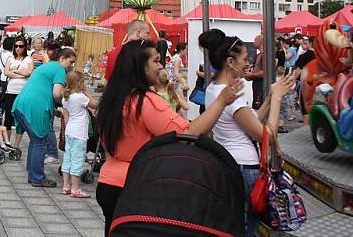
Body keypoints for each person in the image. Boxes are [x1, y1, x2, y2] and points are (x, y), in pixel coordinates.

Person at [94, 40, 243, 235]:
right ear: (140, 66)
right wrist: (221, 102)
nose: (161, 66)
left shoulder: (112, 99)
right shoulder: (145, 101)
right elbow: (186, 135)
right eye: (156, 61)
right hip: (136, 186)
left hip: (108, 183)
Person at [200, 29, 295, 237]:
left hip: (233, 164)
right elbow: (266, 134)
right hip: (245, 169)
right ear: (230, 62)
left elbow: (250, 121)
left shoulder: (214, 89)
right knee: (245, 229)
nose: (248, 62)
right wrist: (278, 99)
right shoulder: (229, 97)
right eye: (244, 58)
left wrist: (270, 98)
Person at [12, 47, 77, 188]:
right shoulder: (59, 69)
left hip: (21, 105)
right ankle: (37, 177)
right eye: (70, 62)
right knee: (39, 142)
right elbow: (57, 94)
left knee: (35, 141)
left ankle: (33, 174)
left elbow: (42, 89)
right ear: (62, 58)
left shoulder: (47, 66)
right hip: (35, 108)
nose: (71, 66)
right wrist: (68, 102)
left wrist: (53, 110)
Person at [61, 70, 97, 198]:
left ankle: (66, 186)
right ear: (79, 83)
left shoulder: (66, 97)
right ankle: (75, 189)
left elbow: (66, 117)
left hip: (69, 131)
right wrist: (87, 92)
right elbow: (95, 105)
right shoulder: (81, 97)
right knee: (77, 160)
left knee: (68, 158)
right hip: (79, 133)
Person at [3, 36, 34, 144]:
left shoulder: (29, 59)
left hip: (22, 92)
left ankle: (16, 145)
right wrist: (21, 74)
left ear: (25, 47)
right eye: (16, 46)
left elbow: (29, 72)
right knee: (8, 119)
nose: (18, 48)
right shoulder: (10, 58)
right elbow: (6, 72)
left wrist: (15, 72)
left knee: (20, 118)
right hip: (10, 90)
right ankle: (7, 142)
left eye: (21, 46)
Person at [245, 34, 265, 109]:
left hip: (261, 85)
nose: (253, 43)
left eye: (255, 41)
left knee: (259, 107)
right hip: (256, 85)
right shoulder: (258, 55)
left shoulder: (264, 55)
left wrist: (251, 75)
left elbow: (264, 72)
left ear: (260, 41)